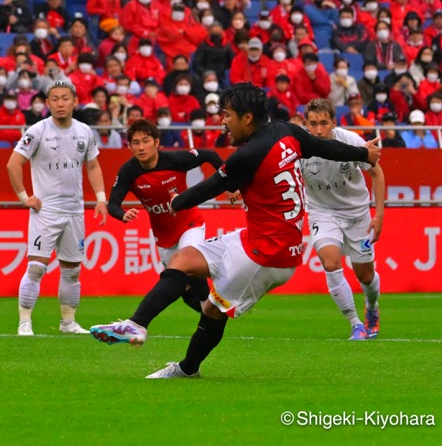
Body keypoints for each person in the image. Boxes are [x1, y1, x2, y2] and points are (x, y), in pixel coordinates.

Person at [90, 82, 381, 378]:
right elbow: (326, 147)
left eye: (227, 114)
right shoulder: (288, 132)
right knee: (183, 259)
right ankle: (136, 324)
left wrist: (177, 201)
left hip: (267, 255)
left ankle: (186, 369)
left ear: (247, 118)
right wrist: (361, 153)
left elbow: (209, 187)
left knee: (213, 310)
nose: (223, 121)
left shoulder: (248, 156)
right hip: (259, 240)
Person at [6, 80, 109, 337]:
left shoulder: (84, 131)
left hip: (74, 211)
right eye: (54, 99)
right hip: (46, 211)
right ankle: (25, 322)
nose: (60, 103)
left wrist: (101, 199)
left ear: (74, 101)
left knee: (72, 270)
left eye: (65, 98)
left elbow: (93, 166)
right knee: (37, 267)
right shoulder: (38, 131)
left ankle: (68, 322)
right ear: (48, 103)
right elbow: (13, 164)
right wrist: (24, 197)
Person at [104, 119, 227, 312]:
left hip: (190, 223)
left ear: (156, 142)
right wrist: (122, 214)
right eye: (136, 143)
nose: (141, 147)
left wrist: (229, 185)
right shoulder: (129, 171)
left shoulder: (175, 160)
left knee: (190, 263)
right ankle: (210, 309)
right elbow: (112, 204)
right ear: (129, 147)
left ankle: (209, 308)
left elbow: (209, 155)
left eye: (145, 141)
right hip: (164, 237)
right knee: (182, 286)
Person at [302, 99, 385, 340]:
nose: (318, 130)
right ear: (306, 124)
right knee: (330, 263)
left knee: (365, 276)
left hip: (358, 214)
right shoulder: (300, 149)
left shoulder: (351, 140)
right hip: (322, 213)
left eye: (324, 123)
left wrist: (378, 215)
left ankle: (372, 308)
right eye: (313, 124)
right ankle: (355, 324)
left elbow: (377, 173)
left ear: (334, 123)